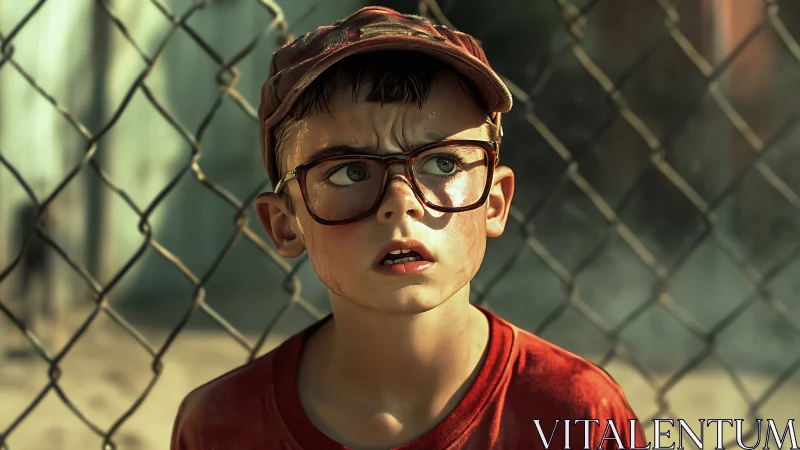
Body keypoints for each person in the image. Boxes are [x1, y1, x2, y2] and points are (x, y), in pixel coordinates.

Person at [171, 6, 648, 449]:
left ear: (496, 203)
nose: (401, 204)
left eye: (442, 164)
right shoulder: (221, 427)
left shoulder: (578, 415)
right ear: (286, 224)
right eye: (350, 172)